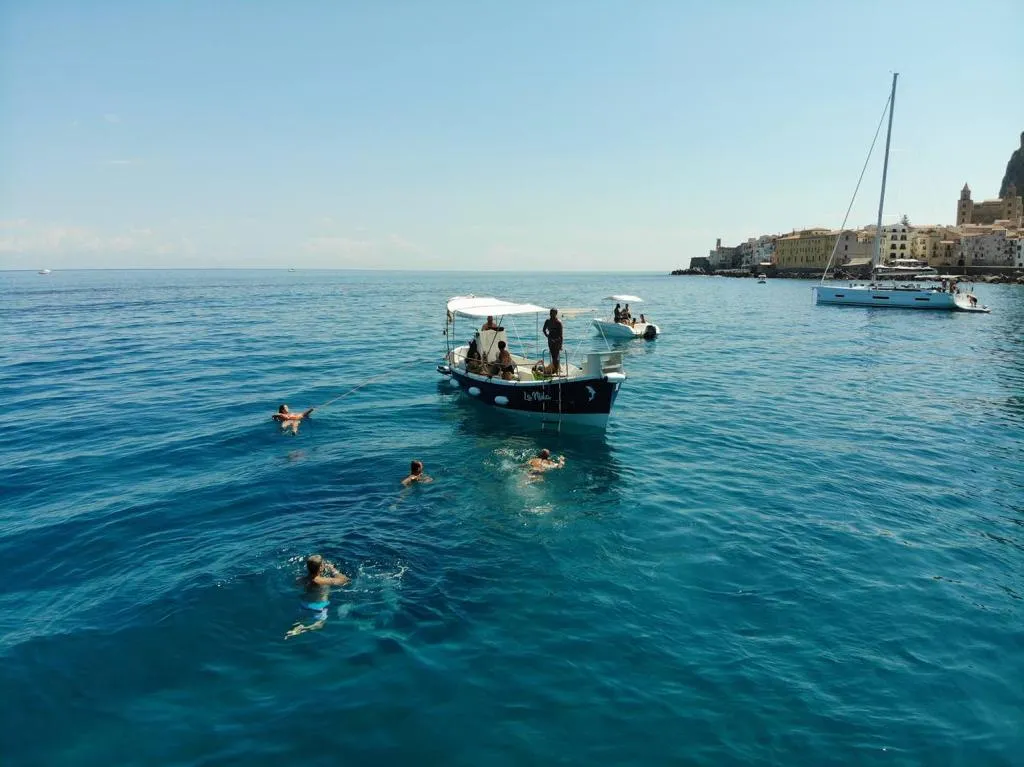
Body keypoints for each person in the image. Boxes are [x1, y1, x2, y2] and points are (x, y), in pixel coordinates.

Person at [285, 554, 350, 639]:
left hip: (304, 604)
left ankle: (296, 628)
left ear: (307, 567)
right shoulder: (324, 581)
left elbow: (295, 586)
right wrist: (333, 569)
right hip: (319, 607)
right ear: (321, 568)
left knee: (301, 620)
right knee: (320, 624)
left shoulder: (300, 579)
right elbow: (345, 580)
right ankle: (305, 629)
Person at [542, 308, 563, 375]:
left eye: (553, 313)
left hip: (557, 341)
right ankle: (555, 369)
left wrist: (561, 345)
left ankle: (556, 371)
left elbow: (561, 335)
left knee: (555, 356)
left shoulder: (558, 323)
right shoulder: (547, 321)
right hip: (550, 340)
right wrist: (547, 336)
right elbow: (544, 330)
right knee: (553, 355)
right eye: (551, 313)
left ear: (556, 314)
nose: (551, 314)